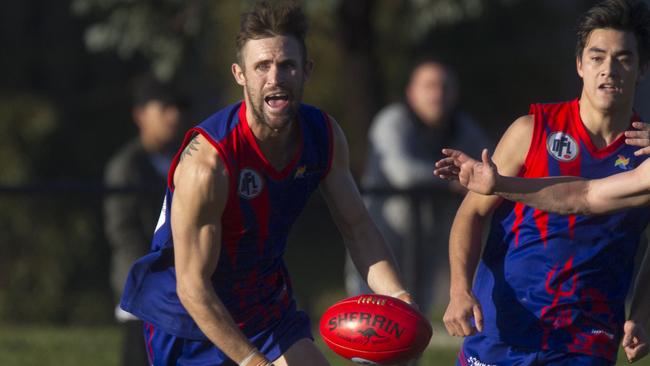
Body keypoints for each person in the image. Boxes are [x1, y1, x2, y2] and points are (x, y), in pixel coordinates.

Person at [119, 2, 413, 366]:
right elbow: (192, 285)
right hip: (188, 318)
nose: (275, 78)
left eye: (287, 65)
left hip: (262, 304)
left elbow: (358, 229)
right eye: (261, 67)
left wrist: (399, 297)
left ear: (306, 70)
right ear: (240, 74)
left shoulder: (323, 136)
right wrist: (252, 362)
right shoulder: (208, 162)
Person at [431, 0, 650, 365]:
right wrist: (459, 290)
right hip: (503, 328)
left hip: (585, 339)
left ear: (642, 69)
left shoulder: (645, 156)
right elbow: (471, 213)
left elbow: (582, 196)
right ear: (580, 65)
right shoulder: (531, 131)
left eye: (624, 59)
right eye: (597, 57)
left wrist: (641, 313)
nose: (609, 70)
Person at [345, 60, 491, 315]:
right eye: (430, 86)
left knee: (415, 321)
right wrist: (457, 180)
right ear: (411, 92)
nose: (438, 94)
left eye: (445, 87)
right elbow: (402, 173)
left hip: (427, 241)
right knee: (370, 323)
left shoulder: (462, 127)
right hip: (379, 241)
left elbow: (490, 165)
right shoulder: (392, 121)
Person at [104, 77, 184, 366]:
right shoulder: (127, 167)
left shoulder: (186, 159)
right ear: (140, 115)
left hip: (186, 288)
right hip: (144, 291)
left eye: (176, 107)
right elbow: (123, 232)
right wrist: (146, 282)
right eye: (163, 107)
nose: (173, 115)